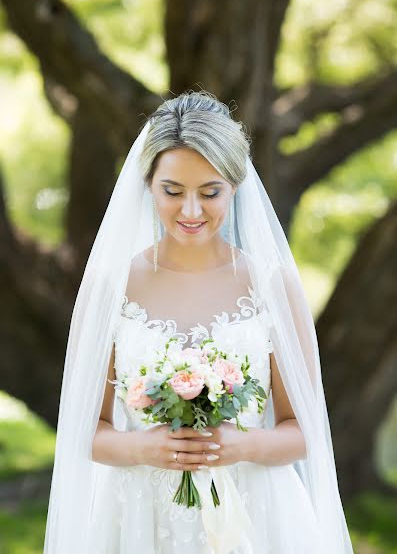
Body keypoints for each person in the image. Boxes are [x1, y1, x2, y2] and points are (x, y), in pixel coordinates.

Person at [43, 90, 355, 553]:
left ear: (234, 186)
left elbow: (303, 430)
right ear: (148, 184)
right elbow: (83, 430)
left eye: (210, 192)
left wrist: (240, 445)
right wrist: (143, 449)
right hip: (137, 520)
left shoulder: (272, 286)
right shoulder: (112, 288)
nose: (191, 211)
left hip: (256, 515)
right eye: (172, 191)